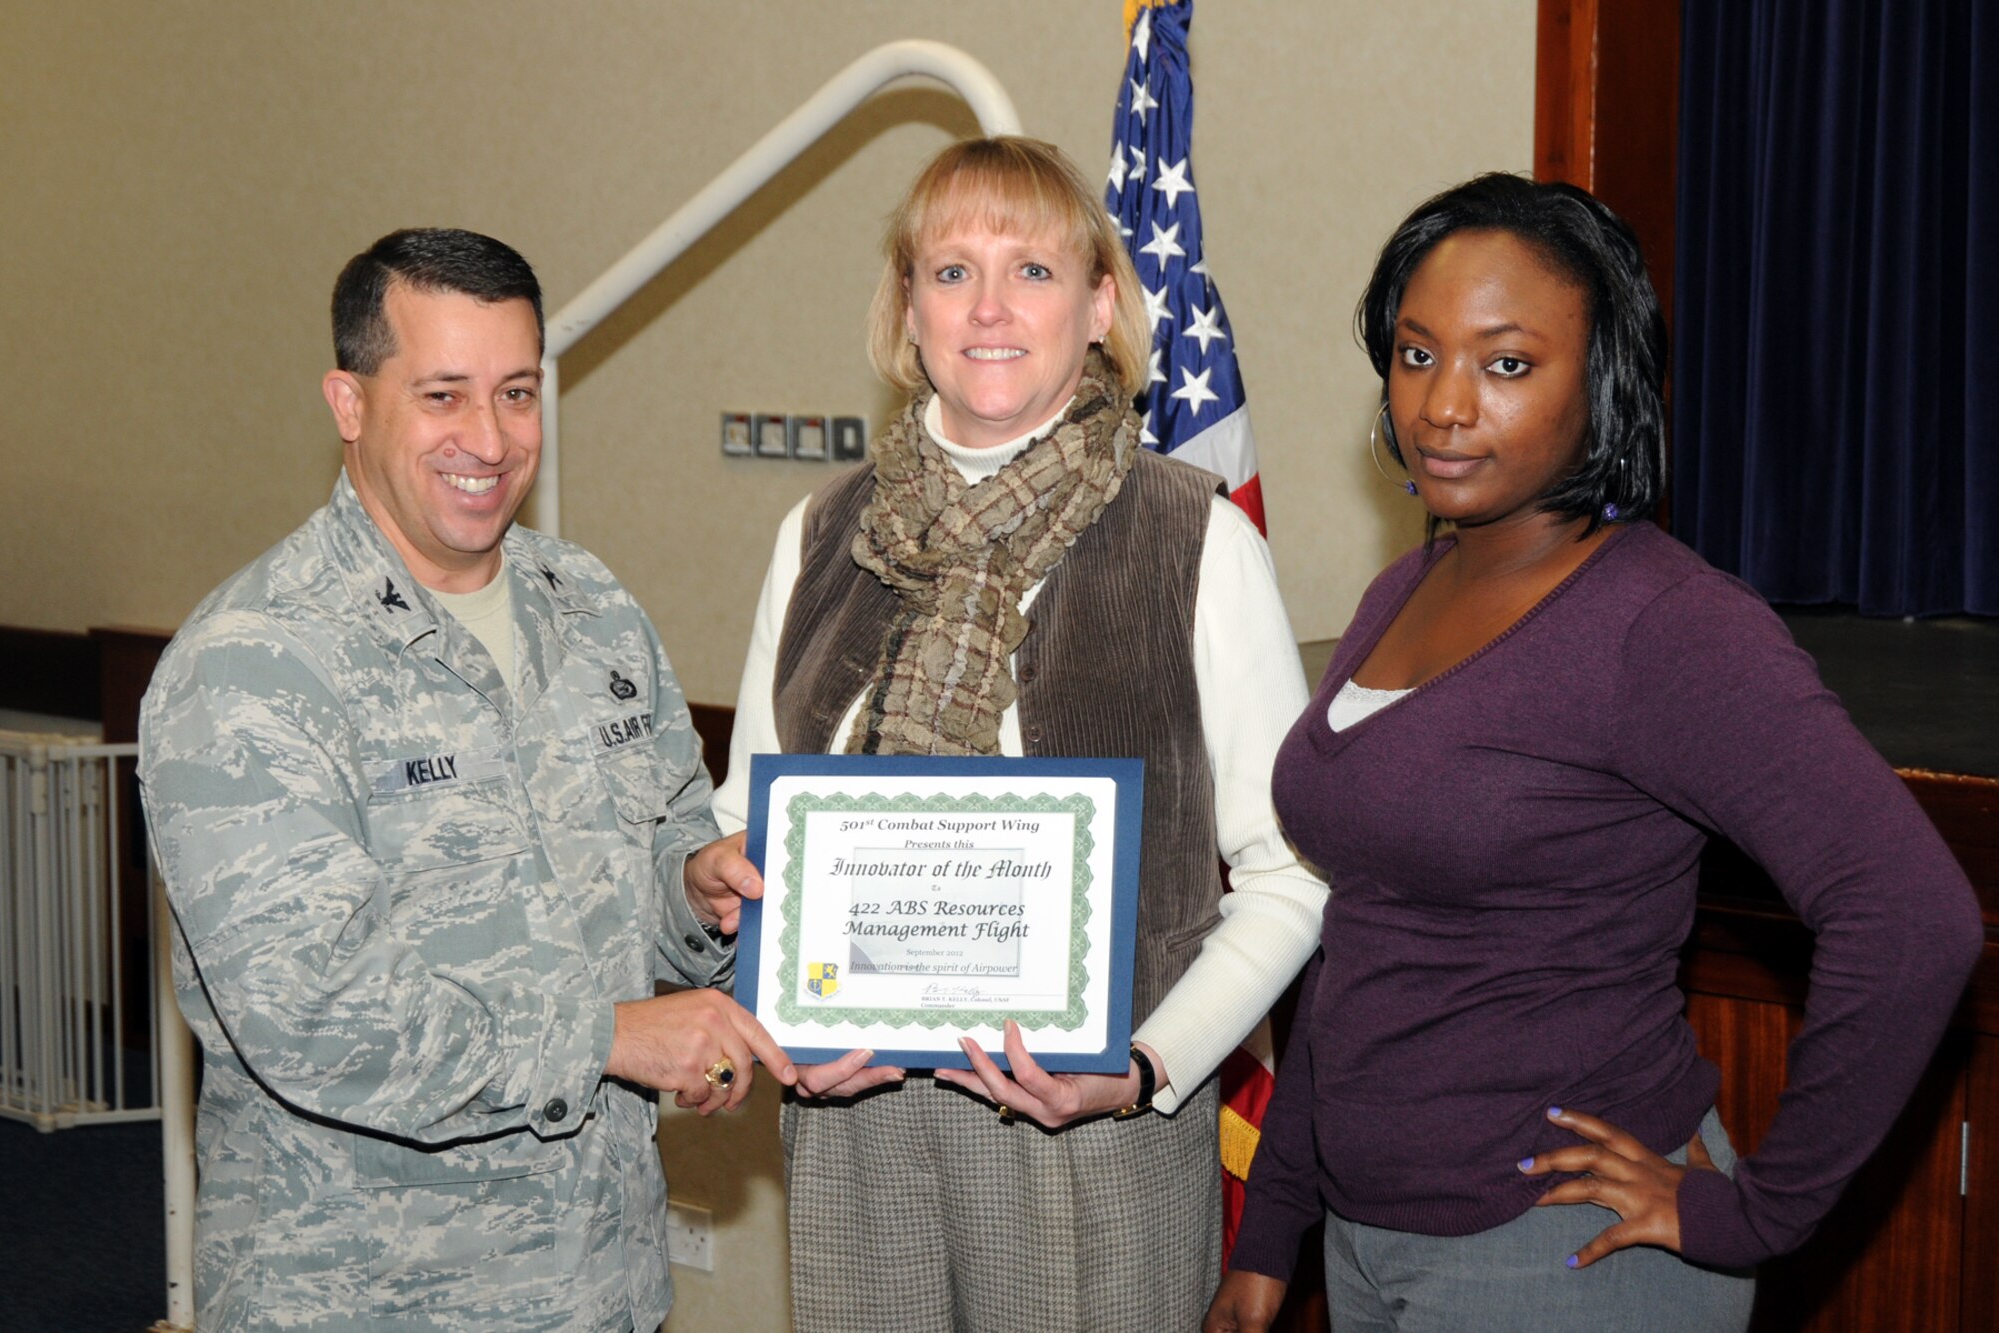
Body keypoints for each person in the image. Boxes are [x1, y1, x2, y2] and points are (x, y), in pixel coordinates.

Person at [1205, 174, 1985, 1333]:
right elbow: (1366, 931)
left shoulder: (1663, 624)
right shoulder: (1403, 587)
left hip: (1555, 1261)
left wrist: (1752, 1214)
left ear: (1602, 384)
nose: (1444, 406)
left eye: (1505, 363)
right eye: (1415, 355)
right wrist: (1273, 1229)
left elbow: (1914, 916)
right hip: (1368, 1246)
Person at [709, 136, 1329, 1330]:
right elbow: (746, 823)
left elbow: (1291, 870)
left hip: (1094, 1143)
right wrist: (724, 904)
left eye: (1032, 271)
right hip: (852, 1130)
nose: (988, 308)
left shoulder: (1193, 540)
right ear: (907, 306)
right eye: (950, 272)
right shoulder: (819, 534)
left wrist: (1143, 1067)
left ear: (1100, 304)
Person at [139, 228, 797, 1333]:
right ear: (349, 403)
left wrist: (695, 892)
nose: (487, 439)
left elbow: (656, 868)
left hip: (604, 1284)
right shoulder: (250, 666)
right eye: (442, 395)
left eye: (516, 393)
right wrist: (614, 1037)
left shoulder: (592, 610)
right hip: (370, 1297)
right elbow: (322, 1018)